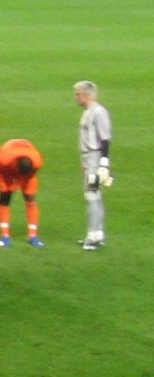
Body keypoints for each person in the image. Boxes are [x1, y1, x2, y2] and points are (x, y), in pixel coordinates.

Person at [75, 79, 113, 249]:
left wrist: (103, 163)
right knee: (94, 195)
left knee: (91, 195)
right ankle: (98, 234)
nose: (76, 97)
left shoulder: (98, 112)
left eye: (77, 94)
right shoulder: (88, 111)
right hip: (89, 158)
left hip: (95, 158)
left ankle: (92, 237)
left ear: (86, 95)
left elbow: (105, 138)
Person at [0, 137, 45, 248]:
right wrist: (3, 187)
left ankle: (33, 236)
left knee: (30, 198)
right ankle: (5, 236)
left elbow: (29, 175)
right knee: (5, 198)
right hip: (5, 171)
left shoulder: (36, 161)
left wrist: (15, 185)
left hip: (26, 164)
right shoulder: (4, 159)